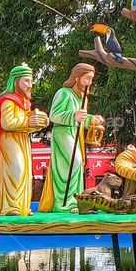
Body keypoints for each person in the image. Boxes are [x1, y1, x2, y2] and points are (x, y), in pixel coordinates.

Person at [0, 64, 49, 216]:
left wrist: (39, 123)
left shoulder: (25, 103)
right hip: (9, 140)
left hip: (22, 140)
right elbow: (7, 123)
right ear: (16, 81)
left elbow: (25, 123)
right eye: (26, 81)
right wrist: (28, 121)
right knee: (15, 170)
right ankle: (9, 207)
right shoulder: (8, 100)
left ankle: (21, 206)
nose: (29, 85)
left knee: (24, 172)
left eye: (31, 82)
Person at [39, 63, 104, 213]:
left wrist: (92, 119)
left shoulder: (83, 97)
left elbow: (81, 118)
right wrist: (73, 116)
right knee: (71, 164)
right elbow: (54, 115)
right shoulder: (64, 93)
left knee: (77, 165)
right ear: (77, 77)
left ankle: (75, 200)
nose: (89, 82)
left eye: (91, 79)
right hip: (62, 133)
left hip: (76, 133)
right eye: (87, 78)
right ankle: (64, 203)